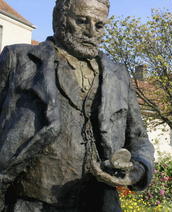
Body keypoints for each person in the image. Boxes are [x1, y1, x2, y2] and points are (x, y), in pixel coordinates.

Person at [0, 0, 154, 211]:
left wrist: (139, 168)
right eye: (82, 21)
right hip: (31, 202)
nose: (91, 32)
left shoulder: (118, 75)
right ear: (60, 19)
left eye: (99, 26)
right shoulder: (18, 60)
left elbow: (138, 138)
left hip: (99, 203)